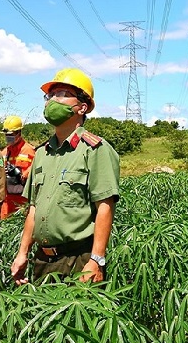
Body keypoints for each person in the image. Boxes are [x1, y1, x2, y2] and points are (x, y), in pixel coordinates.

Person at [10, 68, 120, 284]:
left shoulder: (95, 149)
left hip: (79, 259)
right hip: (43, 259)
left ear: (82, 106)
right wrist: (23, 252)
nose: (52, 100)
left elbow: (105, 207)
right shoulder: (41, 153)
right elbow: (34, 207)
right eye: (50, 96)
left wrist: (97, 260)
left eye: (61, 94)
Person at [0, 115, 35, 218]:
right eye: (6, 135)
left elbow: (36, 170)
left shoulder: (29, 151)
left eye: (11, 134)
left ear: (19, 133)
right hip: (6, 202)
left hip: (22, 203)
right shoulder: (4, 152)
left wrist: (21, 175)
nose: (8, 137)